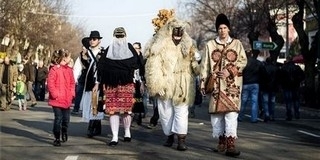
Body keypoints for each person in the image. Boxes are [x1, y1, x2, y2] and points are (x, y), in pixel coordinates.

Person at [144, 17, 201, 151]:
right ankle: (169, 135)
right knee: (166, 113)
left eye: (180, 31)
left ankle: (181, 139)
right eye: (175, 31)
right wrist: (157, 85)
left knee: (181, 113)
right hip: (165, 84)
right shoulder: (160, 45)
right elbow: (153, 66)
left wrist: (197, 60)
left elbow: (196, 69)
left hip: (183, 85)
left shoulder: (189, 44)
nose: (178, 35)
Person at [200, 13, 247, 157]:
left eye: (225, 27)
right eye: (220, 28)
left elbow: (243, 61)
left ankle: (231, 144)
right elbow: (205, 65)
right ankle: (221, 141)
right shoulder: (210, 45)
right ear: (217, 30)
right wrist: (203, 83)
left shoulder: (237, 44)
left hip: (232, 86)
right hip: (215, 86)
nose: (222, 30)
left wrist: (229, 71)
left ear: (229, 29)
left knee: (231, 114)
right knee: (217, 116)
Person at [97, 27, 139, 147]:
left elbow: (137, 64)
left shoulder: (129, 48)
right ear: (114, 37)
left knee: (126, 110)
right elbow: (101, 67)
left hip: (126, 84)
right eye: (117, 36)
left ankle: (127, 132)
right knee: (112, 111)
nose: (119, 39)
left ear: (125, 37)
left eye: (121, 36)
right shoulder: (109, 49)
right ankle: (115, 136)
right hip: (111, 85)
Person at [47, 49, 75, 146]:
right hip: (57, 99)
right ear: (64, 58)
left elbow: (72, 83)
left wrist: (72, 94)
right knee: (58, 118)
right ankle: (57, 137)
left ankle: (64, 131)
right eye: (69, 57)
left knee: (66, 119)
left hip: (66, 99)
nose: (70, 59)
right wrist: (55, 94)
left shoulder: (69, 70)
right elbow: (50, 83)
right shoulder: (54, 69)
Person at [80, 31, 105, 138]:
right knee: (90, 104)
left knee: (95, 104)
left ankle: (92, 127)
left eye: (94, 39)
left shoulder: (103, 52)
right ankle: (96, 126)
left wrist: (98, 82)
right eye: (91, 39)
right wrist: (84, 57)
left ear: (99, 40)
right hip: (88, 81)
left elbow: (102, 69)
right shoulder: (86, 52)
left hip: (98, 82)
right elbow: (84, 67)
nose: (92, 41)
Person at [238, 51, 264, 123]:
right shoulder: (258, 63)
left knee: (243, 101)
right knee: (254, 101)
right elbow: (262, 72)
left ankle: (240, 117)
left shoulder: (243, 63)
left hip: (245, 83)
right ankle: (254, 118)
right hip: (255, 83)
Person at [279, 56, 305, 120]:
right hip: (295, 86)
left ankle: (289, 115)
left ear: (287, 60)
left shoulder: (284, 68)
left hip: (286, 86)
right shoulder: (297, 68)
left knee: (288, 101)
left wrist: (282, 85)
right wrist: (298, 81)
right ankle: (297, 113)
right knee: (296, 100)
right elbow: (302, 76)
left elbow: (280, 78)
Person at [71, 37, 90, 115]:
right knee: (80, 93)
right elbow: (77, 67)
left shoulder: (91, 55)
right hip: (84, 76)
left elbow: (77, 68)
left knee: (85, 93)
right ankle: (77, 108)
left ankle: (81, 108)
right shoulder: (80, 56)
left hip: (88, 77)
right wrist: (75, 78)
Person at [260, 57, 280, 122]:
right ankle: (272, 115)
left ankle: (267, 115)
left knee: (265, 102)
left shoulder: (263, 68)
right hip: (273, 87)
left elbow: (261, 78)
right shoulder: (276, 68)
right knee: (272, 102)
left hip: (265, 87)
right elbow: (278, 78)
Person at [132, 42, 146, 125]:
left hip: (140, 81)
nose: (134, 50)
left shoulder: (143, 59)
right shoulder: (131, 58)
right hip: (133, 80)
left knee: (139, 98)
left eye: (136, 48)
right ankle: (135, 115)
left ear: (140, 49)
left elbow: (143, 72)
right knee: (134, 98)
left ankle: (139, 114)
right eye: (133, 48)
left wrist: (143, 83)